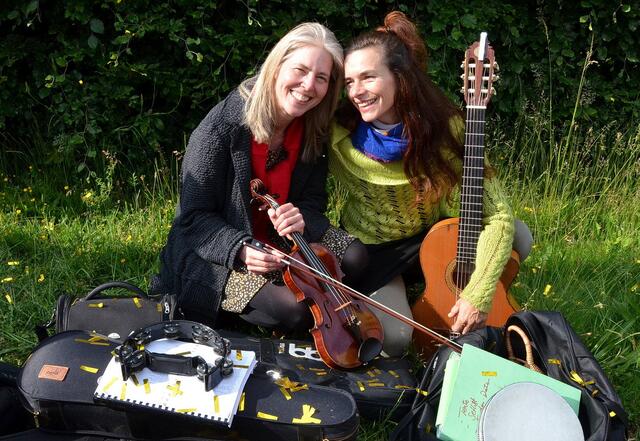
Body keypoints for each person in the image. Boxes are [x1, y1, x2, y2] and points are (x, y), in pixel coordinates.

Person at [329, 12, 530, 355]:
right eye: (349, 82)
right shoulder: (337, 133)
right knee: (393, 339)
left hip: (428, 238)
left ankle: (443, 287)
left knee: (519, 234)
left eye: (368, 78)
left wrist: (477, 293)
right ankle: (396, 294)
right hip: (372, 252)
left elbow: (496, 212)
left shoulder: (444, 127)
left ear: (399, 77)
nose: (356, 92)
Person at [151, 23, 367, 330]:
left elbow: (313, 200)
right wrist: (238, 248)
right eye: (300, 70)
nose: (308, 86)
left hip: (283, 242)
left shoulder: (312, 128)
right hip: (217, 250)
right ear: (276, 66)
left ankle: (320, 295)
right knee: (296, 311)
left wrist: (301, 218)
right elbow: (193, 218)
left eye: (321, 78)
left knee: (356, 258)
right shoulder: (220, 129)